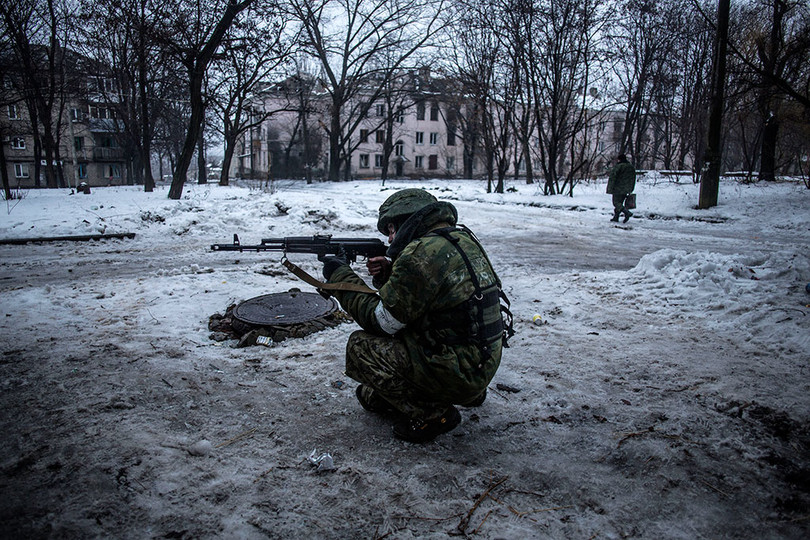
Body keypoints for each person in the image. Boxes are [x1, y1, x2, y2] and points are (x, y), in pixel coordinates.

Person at [321, 188, 511, 443]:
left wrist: (340, 276)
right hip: (482, 362)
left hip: (460, 371)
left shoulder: (420, 253)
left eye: (391, 229)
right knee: (373, 395)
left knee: (360, 347)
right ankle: (466, 392)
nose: (390, 239)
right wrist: (390, 274)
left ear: (406, 219)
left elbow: (381, 321)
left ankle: (433, 414)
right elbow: (433, 295)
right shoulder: (461, 238)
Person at [607, 154, 636, 223]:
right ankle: (616, 217)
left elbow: (612, 177)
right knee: (620, 203)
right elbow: (633, 178)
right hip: (627, 188)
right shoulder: (631, 167)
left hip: (618, 188)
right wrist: (631, 188)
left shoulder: (619, 166)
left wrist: (610, 188)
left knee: (616, 203)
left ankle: (627, 213)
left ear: (619, 159)